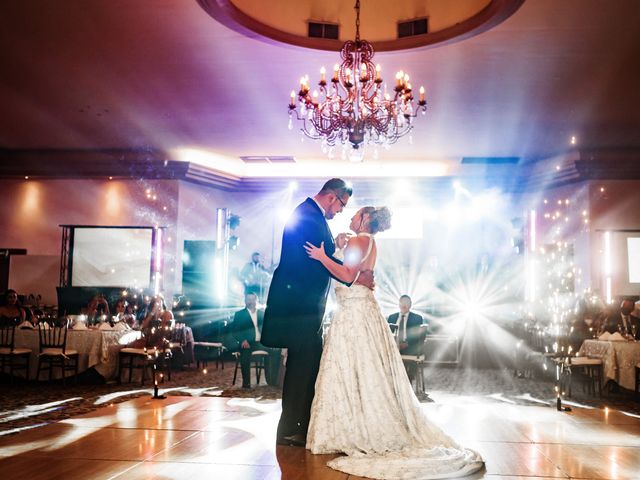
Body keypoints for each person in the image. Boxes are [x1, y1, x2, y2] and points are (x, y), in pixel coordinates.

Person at [304, 206, 484, 479]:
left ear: (365, 219)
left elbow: (347, 275)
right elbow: (355, 271)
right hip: (358, 309)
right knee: (361, 371)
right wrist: (337, 249)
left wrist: (320, 257)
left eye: (355, 214)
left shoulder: (359, 239)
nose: (350, 217)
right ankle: (355, 424)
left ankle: (355, 429)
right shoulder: (367, 241)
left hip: (353, 314)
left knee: (353, 369)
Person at [261, 178, 374, 447]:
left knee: (306, 367)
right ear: (332, 197)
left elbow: (318, 255)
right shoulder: (309, 217)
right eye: (342, 204)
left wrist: (334, 250)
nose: (341, 211)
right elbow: (314, 261)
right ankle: (291, 430)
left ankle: (297, 426)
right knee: (302, 369)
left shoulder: (310, 215)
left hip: (303, 308)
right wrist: (352, 277)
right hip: (300, 309)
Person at [231, 292, 280, 388]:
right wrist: (242, 340)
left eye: (253, 299)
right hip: (247, 342)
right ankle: (246, 383)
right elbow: (235, 332)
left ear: (256, 301)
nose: (251, 302)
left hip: (261, 342)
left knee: (276, 350)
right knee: (245, 353)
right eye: (249, 299)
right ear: (245, 301)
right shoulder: (239, 314)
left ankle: (272, 380)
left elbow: (268, 329)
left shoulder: (262, 314)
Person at [388, 294, 427, 382]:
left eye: (406, 302)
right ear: (398, 304)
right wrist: (395, 344)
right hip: (394, 346)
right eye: (402, 302)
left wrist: (407, 344)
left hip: (410, 347)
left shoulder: (417, 318)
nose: (404, 305)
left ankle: (407, 381)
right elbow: (387, 334)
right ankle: (390, 380)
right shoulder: (391, 317)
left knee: (412, 351)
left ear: (410, 304)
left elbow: (417, 337)